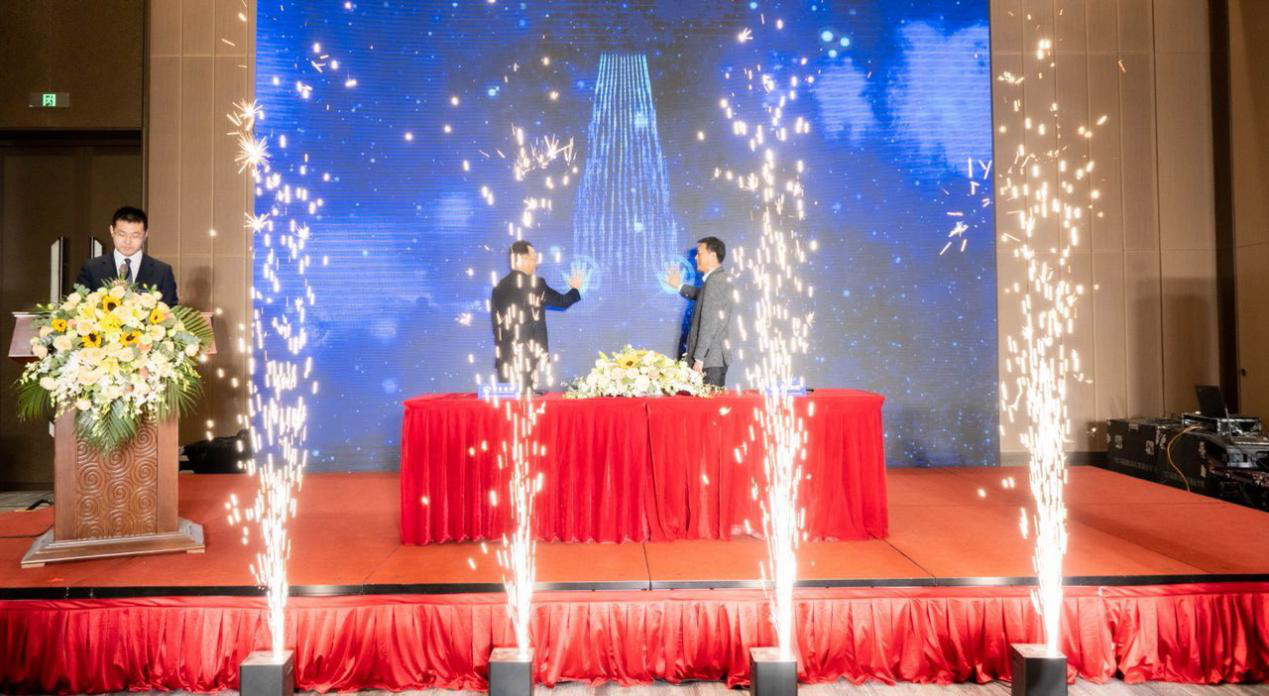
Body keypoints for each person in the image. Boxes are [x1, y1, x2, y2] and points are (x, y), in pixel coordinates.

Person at [490, 240, 583, 389]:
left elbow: (496, 324)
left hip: (505, 358)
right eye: (534, 259)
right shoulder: (535, 284)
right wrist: (575, 289)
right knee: (526, 400)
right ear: (522, 259)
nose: (536, 263)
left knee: (508, 401)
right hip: (527, 357)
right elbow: (562, 302)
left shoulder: (499, 287)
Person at [665, 236, 733, 387]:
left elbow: (709, 323)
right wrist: (679, 286)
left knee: (708, 401)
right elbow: (701, 295)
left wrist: (699, 358)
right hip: (711, 360)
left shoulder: (715, 281)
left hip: (709, 361)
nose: (696, 257)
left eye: (699, 253)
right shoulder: (716, 279)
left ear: (712, 255)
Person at [75, 206, 178, 306]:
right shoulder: (92, 268)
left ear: (146, 234)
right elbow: (77, 306)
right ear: (112, 231)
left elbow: (170, 311)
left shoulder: (162, 272)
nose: (128, 241)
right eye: (122, 234)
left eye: (135, 235)